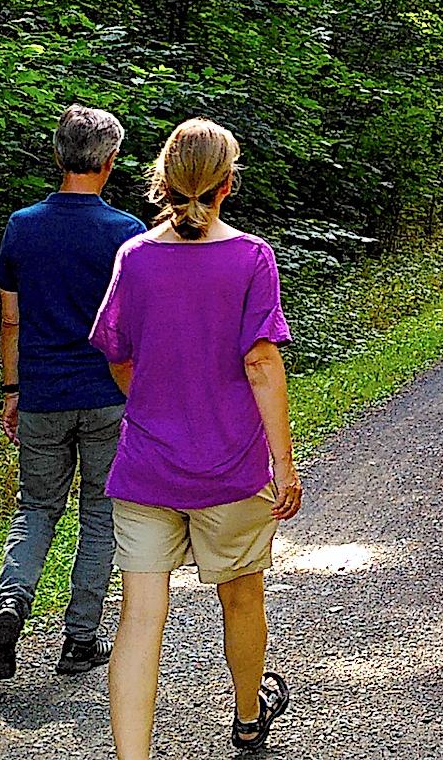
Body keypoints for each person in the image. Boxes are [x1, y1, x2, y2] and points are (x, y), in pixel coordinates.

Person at [89, 118, 302, 757]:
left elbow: (118, 355)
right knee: (241, 596)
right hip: (232, 468)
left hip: (147, 467)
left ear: (165, 178)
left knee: (138, 619)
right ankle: (246, 715)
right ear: (226, 184)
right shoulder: (250, 257)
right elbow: (261, 364)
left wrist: (154, 401)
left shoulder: (135, 257)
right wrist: (284, 467)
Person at [0, 105, 146, 680]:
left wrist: (12, 390)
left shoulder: (23, 226)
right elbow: (132, 327)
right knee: (100, 512)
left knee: (35, 508)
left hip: (43, 394)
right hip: (106, 394)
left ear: (58, 156)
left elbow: (10, 321)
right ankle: (80, 641)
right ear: (109, 161)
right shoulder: (125, 233)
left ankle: (10, 604)